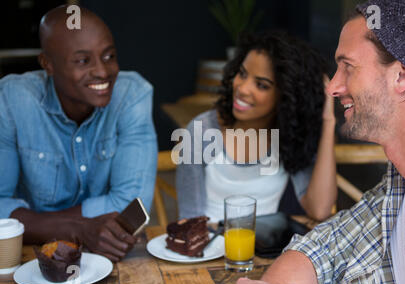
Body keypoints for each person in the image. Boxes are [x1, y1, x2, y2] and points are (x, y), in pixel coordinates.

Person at [224, 0, 405, 284]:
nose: (332, 87)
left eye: (348, 67)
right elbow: (324, 247)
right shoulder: (400, 184)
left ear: (403, 75)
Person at [0, 6, 158, 262]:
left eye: (109, 56)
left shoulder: (132, 94)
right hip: (31, 262)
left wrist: (34, 223)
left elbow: (132, 206)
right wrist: (77, 229)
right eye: (83, 61)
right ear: (47, 64)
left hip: (110, 258)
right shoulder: (11, 100)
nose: (102, 71)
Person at [176, 31, 337, 223]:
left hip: (266, 250)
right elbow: (189, 220)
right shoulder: (200, 131)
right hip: (210, 248)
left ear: (287, 95)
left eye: (261, 85)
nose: (243, 89)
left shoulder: (291, 136)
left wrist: (328, 121)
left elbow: (319, 210)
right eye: (242, 74)